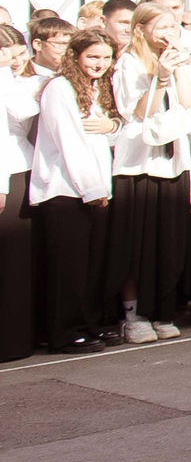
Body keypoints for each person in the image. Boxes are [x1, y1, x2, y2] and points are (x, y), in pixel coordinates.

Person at [108, 6, 191, 344]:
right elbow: (137, 110)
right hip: (138, 164)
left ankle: (163, 310)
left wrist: (176, 68)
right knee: (137, 244)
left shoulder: (174, 58)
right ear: (141, 29)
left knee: (168, 242)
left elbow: (190, 101)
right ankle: (134, 316)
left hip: (173, 162)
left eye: (172, 25)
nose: (168, 32)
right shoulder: (128, 63)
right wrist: (160, 77)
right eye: (161, 26)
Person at [30, 29, 119, 351]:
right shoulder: (59, 88)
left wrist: (114, 126)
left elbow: (108, 133)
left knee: (92, 265)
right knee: (69, 268)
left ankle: (89, 323)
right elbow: (69, 141)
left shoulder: (99, 87)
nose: (99, 63)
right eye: (93, 56)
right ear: (76, 55)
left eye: (106, 57)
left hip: (95, 189)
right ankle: (65, 332)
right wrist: (91, 188)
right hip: (65, 190)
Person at [0, 27, 38, 360]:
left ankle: (13, 341)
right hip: (7, 175)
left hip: (16, 171)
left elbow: (23, 112)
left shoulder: (15, 82)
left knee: (14, 262)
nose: (14, 59)